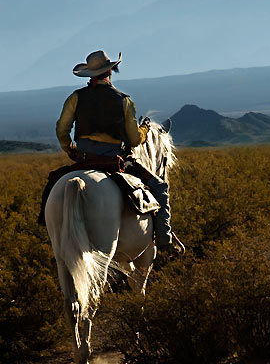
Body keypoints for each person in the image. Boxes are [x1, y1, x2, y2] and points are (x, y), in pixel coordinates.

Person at [55, 49, 184, 255]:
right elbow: (134, 139)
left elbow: (62, 129)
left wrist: (72, 151)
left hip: (84, 159)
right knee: (159, 187)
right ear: (110, 72)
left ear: (90, 74)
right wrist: (145, 129)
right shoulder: (123, 100)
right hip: (112, 160)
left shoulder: (76, 98)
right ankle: (164, 240)